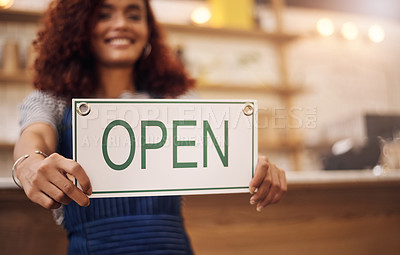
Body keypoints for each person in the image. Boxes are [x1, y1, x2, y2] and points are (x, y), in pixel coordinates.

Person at [13, 0, 287, 254]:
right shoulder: (52, 101)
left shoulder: (178, 99)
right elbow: (35, 135)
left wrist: (256, 166)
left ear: (148, 31)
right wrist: (29, 163)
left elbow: (223, 150)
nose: (121, 24)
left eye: (134, 15)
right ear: (78, 27)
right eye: (104, 15)